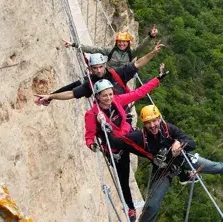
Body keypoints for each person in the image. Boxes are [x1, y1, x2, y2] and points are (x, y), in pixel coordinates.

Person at [106, 105, 223, 222]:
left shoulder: (169, 129)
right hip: (163, 170)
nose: (152, 125)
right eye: (148, 122)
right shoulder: (139, 137)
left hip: (183, 160)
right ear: (144, 124)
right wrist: (103, 128)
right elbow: (118, 141)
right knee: (152, 205)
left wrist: (180, 143)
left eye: (154, 120)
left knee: (216, 166)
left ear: (159, 119)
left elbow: (192, 143)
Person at [86, 64, 168, 222]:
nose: (109, 98)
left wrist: (157, 80)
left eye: (110, 94)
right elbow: (89, 136)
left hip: (128, 136)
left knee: (149, 142)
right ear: (97, 97)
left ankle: (163, 161)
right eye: (104, 96)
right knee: (123, 180)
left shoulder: (117, 100)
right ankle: (130, 208)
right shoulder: (92, 115)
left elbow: (139, 93)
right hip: (115, 149)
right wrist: (93, 145)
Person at [34, 41, 164, 106]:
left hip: (120, 105)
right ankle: (48, 97)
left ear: (105, 65)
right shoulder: (91, 83)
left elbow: (138, 63)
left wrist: (153, 53)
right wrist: (51, 96)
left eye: (101, 67)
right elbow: (71, 93)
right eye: (95, 68)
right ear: (90, 68)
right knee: (79, 83)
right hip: (106, 110)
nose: (99, 70)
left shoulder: (116, 73)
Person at [64, 25, 159, 69]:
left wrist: (150, 36)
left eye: (124, 42)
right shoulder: (110, 51)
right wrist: (74, 44)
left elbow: (141, 47)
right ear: (116, 42)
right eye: (120, 42)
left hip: (120, 78)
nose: (122, 44)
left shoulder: (131, 53)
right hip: (108, 75)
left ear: (128, 43)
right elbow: (93, 49)